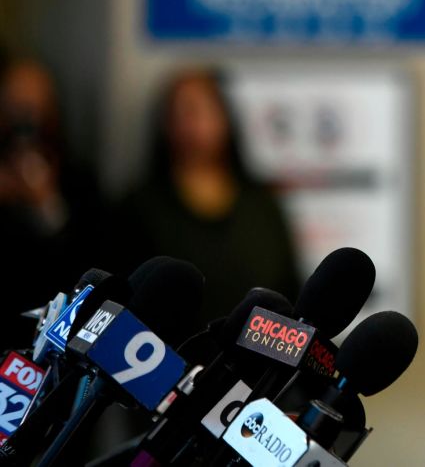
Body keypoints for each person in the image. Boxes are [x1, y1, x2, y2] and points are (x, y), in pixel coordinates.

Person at [114, 67, 300, 322]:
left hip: (255, 355)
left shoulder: (262, 205)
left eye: (199, 110)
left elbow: (290, 290)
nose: (190, 125)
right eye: (178, 114)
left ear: (225, 117)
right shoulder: (138, 207)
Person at [0, 55, 108, 350]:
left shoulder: (76, 180)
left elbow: (88, 265)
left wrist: (47, 205)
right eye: (14, 103)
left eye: (34, 104)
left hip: (52, 338)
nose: (25, 117)